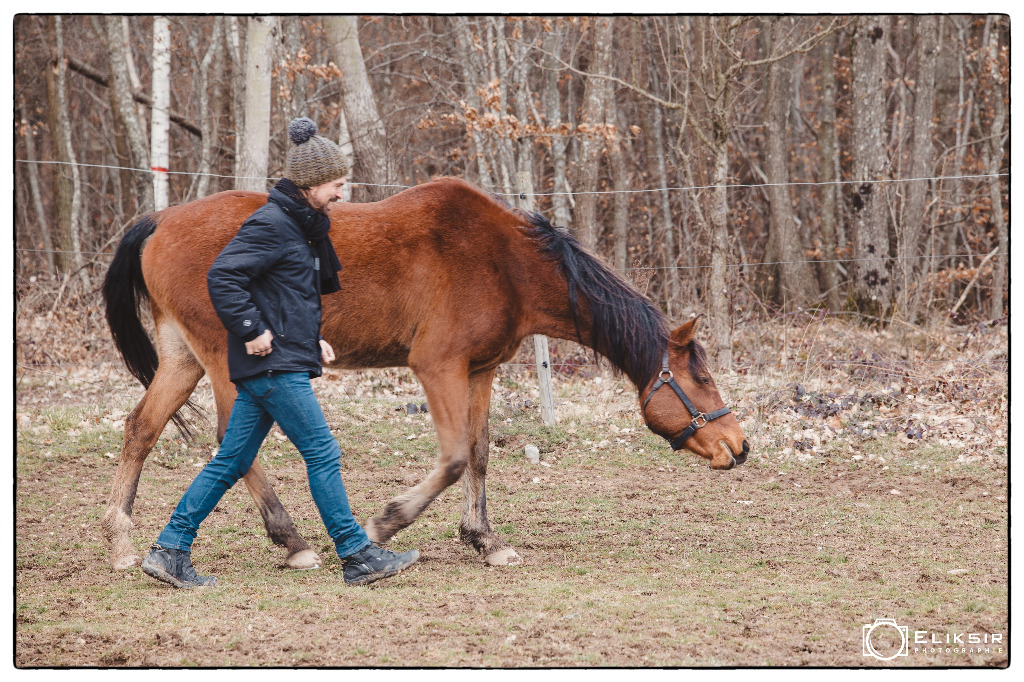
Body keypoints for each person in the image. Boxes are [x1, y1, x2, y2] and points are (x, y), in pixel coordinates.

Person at [141, 117, 419, 588]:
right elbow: (222, 276)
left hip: (282, 358)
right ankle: (356, 553)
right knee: (323, 452)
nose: (341, 193)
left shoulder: (299, 227)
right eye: (336, 184)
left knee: (229, 461)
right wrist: (251, 329)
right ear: (311, 184)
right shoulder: (270, 224)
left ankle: (170, 549)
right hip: (272, 365)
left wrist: (311, 337)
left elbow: (286, 294)